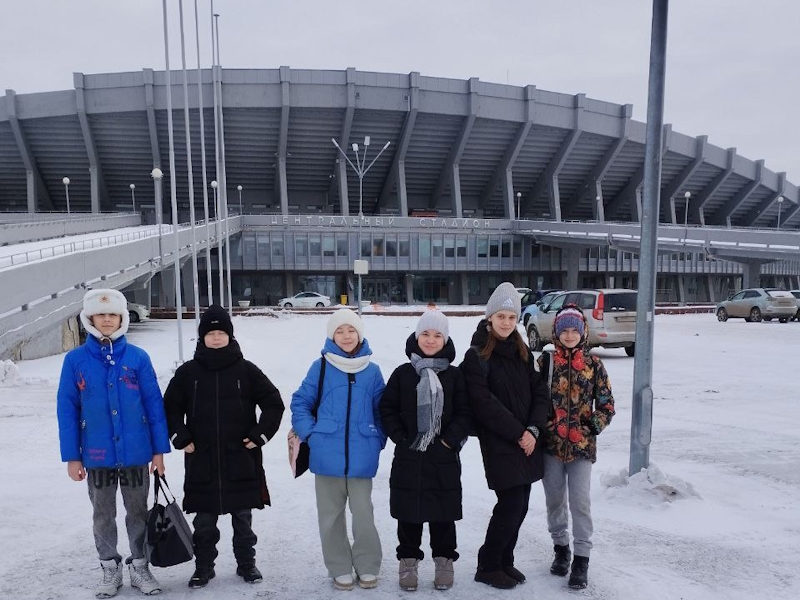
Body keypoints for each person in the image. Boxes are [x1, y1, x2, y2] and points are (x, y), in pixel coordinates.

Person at [57, 288, 170, 598]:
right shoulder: (76, 360)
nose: (106, 320)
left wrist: (159, 452)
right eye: (100, 314)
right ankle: (109, 567)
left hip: (136, 453)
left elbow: (154, 406)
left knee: (138, 512)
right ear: (89, 318)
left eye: (112, 315)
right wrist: (72, 456)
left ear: (122, 318)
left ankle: (140, 565)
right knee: (102, 513)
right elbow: (67, 410)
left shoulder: (137, 358)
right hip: (96, 455)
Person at [163, 305, 284, 589]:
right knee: (204, 522)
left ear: (230, 336)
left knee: (243, 519)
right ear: (202, 337)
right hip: (201, 458)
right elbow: (169, 407)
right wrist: (180, 436)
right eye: (211, 333)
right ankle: (203, 567)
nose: (216, 338)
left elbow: (273, 403)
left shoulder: (247, 370)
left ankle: (247, 564)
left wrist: (260, 435)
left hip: (240, 458)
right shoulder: (187, 373)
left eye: (221, 333)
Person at [460, 282, 550, 590]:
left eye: (512, 318)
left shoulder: (522, 352)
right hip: (500, 441)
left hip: (528, 440)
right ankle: (488, 564)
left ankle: (504, 561)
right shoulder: (476, 357)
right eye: (501, 316)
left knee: (521, 503)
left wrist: (534, 430)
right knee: (510, 503)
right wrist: (519, 433)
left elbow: (540, 393)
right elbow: (484, 404)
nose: (506, 323)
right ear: (489, 319)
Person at [290, 309, 386, 591]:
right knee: (330, 517)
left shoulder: (372, 371)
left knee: (364, 515)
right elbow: (300, 403)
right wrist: (312, 435)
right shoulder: (319, 367)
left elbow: (383, 411)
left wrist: (377, 438)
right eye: (340, 331)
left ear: (360, 334)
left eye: (351, 330)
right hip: (326, 456)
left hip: (362, 458)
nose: (346, 336)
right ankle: (339, 567)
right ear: (332, 335)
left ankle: (368, 565)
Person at [379, 310, 471, 591]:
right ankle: (408, 561)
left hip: (443, 459)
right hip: (409, 457)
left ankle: (444, 560)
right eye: (426, 334)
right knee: (409, 515)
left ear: (446, 339)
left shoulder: (455, 376)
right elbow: (387, 409)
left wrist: (448, 441)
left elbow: (466, 414)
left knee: (443, 515)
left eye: (437, 335)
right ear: (417, 337)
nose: (431, 340)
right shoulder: (402, 374)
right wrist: (401, 438)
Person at [538, 305, 615, 590]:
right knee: (555, 500)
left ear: (582, 332)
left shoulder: (594, 365)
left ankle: (581, 559)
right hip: (551, 447)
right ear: (557, 333)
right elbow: (534, 402)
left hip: (582, 448)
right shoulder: (545, 365)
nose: (569, 335)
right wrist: (545, 426)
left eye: (574, 330)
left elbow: (607, 406)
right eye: (564, 330)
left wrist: (590, 428)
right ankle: (561, 549)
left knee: (580, 503)